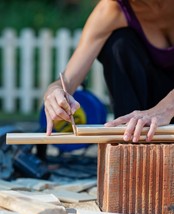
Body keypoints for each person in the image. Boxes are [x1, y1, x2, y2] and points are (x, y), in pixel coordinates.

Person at [44, 0, 174, 142]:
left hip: (164, 111)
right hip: (145, 115)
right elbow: (68, 80)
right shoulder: (112, 9)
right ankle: (131, 143)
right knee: (119, 43)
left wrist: (166, 108)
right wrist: (54, 92)